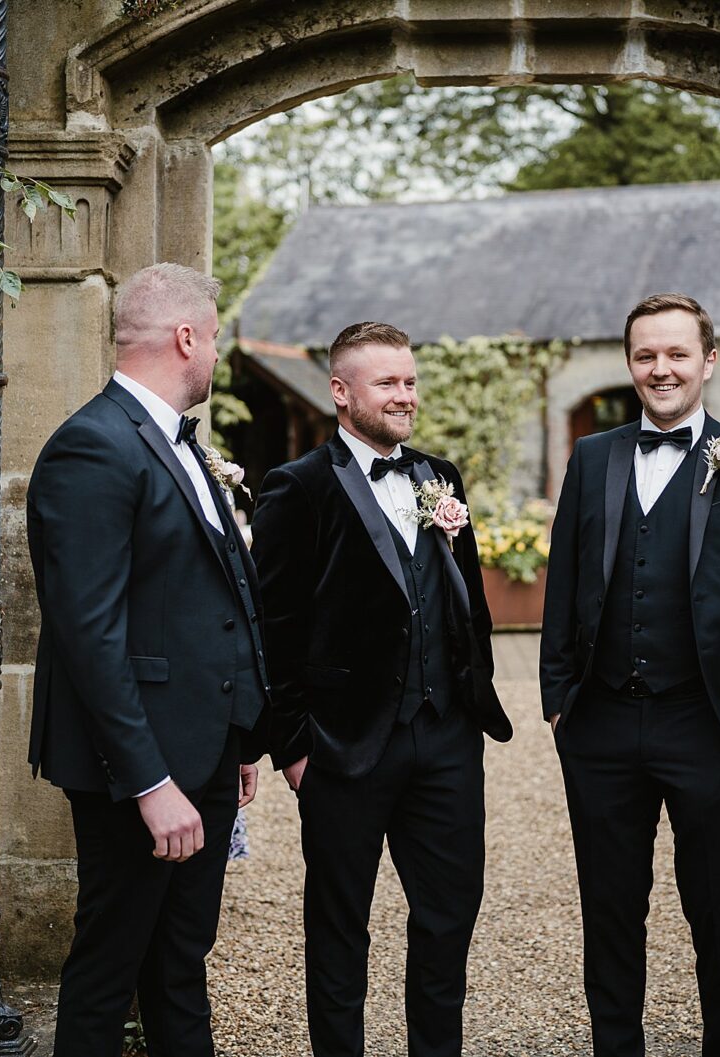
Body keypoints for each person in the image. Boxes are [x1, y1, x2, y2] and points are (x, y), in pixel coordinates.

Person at [540, 293, 720, 1057]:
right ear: (630, 363)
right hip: (600, 725)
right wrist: (560, 700)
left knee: (718, 909)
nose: (662, 369)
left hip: (709, 721)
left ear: (708, 361)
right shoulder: (593, 457)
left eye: (677, 354)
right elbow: (563, 580)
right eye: (646, 355)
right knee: (611, 911)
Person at [26, 262, 270, 1057]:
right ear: (187, 335)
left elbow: (205, 599)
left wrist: (236, 734)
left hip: (202, 751)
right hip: (140, 770)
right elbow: (88, 635)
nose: (216, 356)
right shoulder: (91, 448)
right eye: (215, 337)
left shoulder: (175, 444)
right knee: (109, 967)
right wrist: (151, 782)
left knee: (180, 963)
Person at [251, 321, 512, 1057]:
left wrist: (472, 695)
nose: (406, 396)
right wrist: (294, 746)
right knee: (339, 929)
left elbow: (470, 603)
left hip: (446, 740)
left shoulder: (441, 479)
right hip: (342, 748)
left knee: (447, 918)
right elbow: (275, 625)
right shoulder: (295, 488)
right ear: (341, 392)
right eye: (388, 383)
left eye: (410, 381)